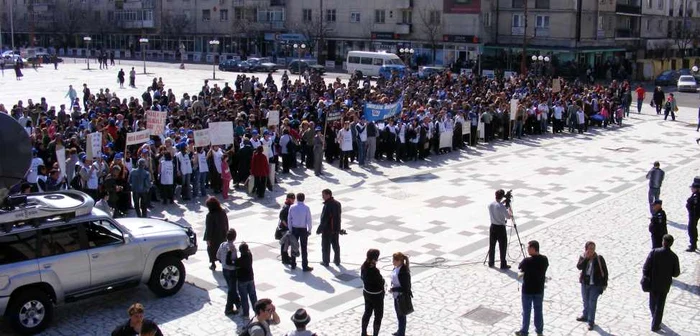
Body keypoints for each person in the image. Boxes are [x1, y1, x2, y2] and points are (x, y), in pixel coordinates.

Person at [642, 234, 680, 332]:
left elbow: (646, 267)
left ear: (663, 242)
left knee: (652, 303)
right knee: (660, 305)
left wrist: (646, 276)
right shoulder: (674, 257)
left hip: (653, 282)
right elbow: (676, 273)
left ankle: (654, 318)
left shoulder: (654, 252)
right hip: (664, 285)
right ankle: (655, 324)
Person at [515, 240, 549, 336]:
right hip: (539, 290)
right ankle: (539, 331)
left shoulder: (527, 261)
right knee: (538, 311)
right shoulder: (544, 259)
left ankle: (524, 331)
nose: (528, 250)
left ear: (534, 249)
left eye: (529, 248)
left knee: (526, 311)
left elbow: (520, 267)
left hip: (527, 290)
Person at [575, 241, 609, 331]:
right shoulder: (583, 257)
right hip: (585, 283)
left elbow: (605, 271)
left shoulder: (599, 258)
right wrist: (586, 259)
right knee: (585, 300)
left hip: (595, 285)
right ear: (586, 249)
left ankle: (591, 321)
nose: (591, 250)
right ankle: (585, 315)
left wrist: (605, 283)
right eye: (589, 248)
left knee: (592, 302)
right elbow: (579, 267)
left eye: (593, 248)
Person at [216, 228, 240, 315]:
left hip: (224, 270)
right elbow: (234, 261)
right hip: (231, 271)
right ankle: (229, 308)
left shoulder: (222, 245)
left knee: (231, 288)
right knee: (231, 289)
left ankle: (238, 303)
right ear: (234, 238)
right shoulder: (232, 248)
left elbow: (217, 256)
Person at [361, 249, 385, 336]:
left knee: (367, 312)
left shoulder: (364, 266)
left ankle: (363, 333)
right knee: (378, 316)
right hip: (376, 296)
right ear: (374, 259)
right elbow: (381, 282)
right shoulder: (374, 271)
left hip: (366, 293)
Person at [288, 193, 313, 272]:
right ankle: (304, 266)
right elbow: (309, 219)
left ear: (296, 198)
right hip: (303, 229)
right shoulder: (306, 208)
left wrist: (290, 229)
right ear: (304, 198)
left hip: (294, 229)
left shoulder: (292, 207)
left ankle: (293, 264)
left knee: (294, 246)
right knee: (304, 248)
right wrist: (309, 229)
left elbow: (289, 219)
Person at [488, 189, 513, 269]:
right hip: (500, 228)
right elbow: (508, 217)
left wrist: (503, 203)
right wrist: (509, 208)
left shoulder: (490, 204)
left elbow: (497, 206)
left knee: (492, 245)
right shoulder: (502, 207)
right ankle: (503, 263)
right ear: (502, 196)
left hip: (493, 227)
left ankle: (491, 262)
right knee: (502, 246)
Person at [317, 189, 342, 267]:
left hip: (327, 230)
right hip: (336, 228)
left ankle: (326, 261)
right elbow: (338, 216)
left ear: (328, 195)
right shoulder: (338, 203)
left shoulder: (327, 205)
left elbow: (324, 219)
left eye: (323, 195)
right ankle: (337, 260)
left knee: (325, 246)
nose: (322, 197)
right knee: (336, 245)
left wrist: (319, 229)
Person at [389, 252, 411, 336]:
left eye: (394, 260)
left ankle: (401, 333)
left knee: (401, 316)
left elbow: (406, 288)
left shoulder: (404, 272)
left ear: (399, 261)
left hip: (402, 297)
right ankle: (400, 331)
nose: (393, 262)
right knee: (399, 315)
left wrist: (393, 289)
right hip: (396, 296)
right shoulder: (396, 268)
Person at [204, 196, 229, 271]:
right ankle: (222, 262)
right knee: (222, 250)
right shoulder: (223, 212)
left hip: (213, 237)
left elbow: (208, 228)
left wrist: (208, 239)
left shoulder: (210, 215)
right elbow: (226, 223)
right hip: (222, 235)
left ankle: (213, 264)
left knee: (211, 250)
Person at [236, 242, 258, 318]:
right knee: (253, 296)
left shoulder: (239, 260)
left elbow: (232, 263)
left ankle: (246, 314)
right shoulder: (249, 255)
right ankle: (257, 312)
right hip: (250, 278)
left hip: (242, 280)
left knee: (244, 297)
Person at [278, 193, 295, 265]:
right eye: (292, 198)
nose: (293, 200)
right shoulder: (286, 207)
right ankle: (284, 259)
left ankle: (286, 257)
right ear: (287, 198)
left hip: (286, 228)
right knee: (285, 244)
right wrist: (288, 227)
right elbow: (281, 217)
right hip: (284, 229)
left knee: (286, 244)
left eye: (294, 198)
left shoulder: (289, 206)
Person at [686, 177, 700, 252]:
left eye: (692, 188)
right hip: (695, 214)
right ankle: (693, 243)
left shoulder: (695, 197)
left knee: (691, 229)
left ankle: (693, 245)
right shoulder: (695, 195)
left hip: (694, 215)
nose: (691, 189)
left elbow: (690, 205)